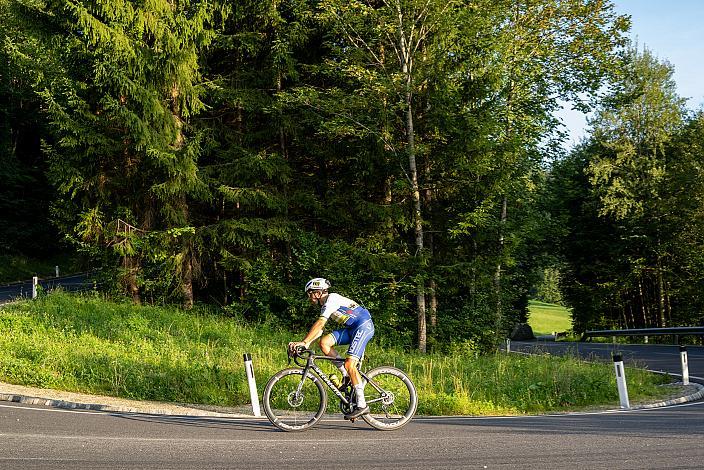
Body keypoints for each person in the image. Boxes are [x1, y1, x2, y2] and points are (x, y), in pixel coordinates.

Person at [288, 277, 375, 420]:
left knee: (350, 364)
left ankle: (362, 405)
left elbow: (321, 323)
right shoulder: (325, 305)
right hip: (352, 328)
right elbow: (320, 331)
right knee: (324, 343)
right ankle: (346, 375)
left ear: (317, 292)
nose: (309, 296)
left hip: (363, 326)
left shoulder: (331, 299)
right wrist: (307, 343)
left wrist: (304, 342)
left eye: (310, 293)